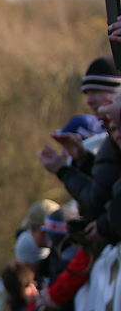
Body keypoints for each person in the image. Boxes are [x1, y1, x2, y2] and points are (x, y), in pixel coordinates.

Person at [39, 57, 121, 220]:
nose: (89, 101)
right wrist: (83, 159)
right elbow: (106, 189)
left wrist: (62, 170)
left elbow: (96, 202)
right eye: (87, 93)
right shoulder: (109, 138)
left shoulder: (110, 137)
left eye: (97, 91)